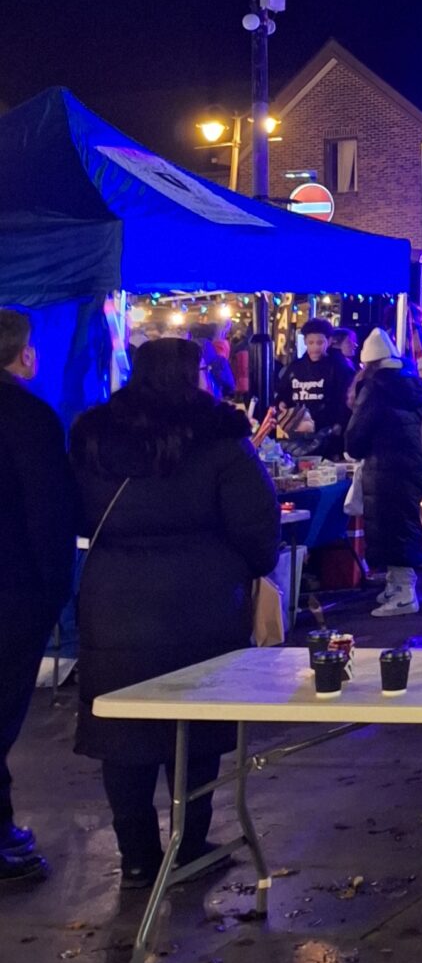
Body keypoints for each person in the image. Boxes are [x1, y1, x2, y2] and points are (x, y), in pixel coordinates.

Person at [70, 337, 279, 885]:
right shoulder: (219, 437)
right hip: (202, 601)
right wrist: (247, 568)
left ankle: (137, 854)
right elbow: (257, 525)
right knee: (196, 725)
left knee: (123, 727)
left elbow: (74, 514)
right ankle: (188, 845)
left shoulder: (93, 436)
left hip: (112, 599)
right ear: (195, 374)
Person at [0, 308, 82, 888]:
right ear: (21, 354)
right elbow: (48, 514)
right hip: (13, 592)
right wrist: (55, 591)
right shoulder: (26, 417)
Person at [343, 330, 422, 616]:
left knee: (392, 528)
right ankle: (396, 585)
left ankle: (405, 593)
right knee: (403, 525)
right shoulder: (410, 385)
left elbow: (356, 436)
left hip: (386, 468)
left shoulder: (374, 389)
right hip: (412, 465)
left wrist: (354, 448)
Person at [273, 317, 353, 451]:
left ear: (328, 341)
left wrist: (339, 424)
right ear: (305, 342)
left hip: (328, 434)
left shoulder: (339, 368)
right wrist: (281, 403)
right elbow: (283, 392)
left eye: (320, 342)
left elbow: (345, 400)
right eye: (311, 342)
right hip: (298, 434)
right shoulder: (295, 367)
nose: (315, 347)